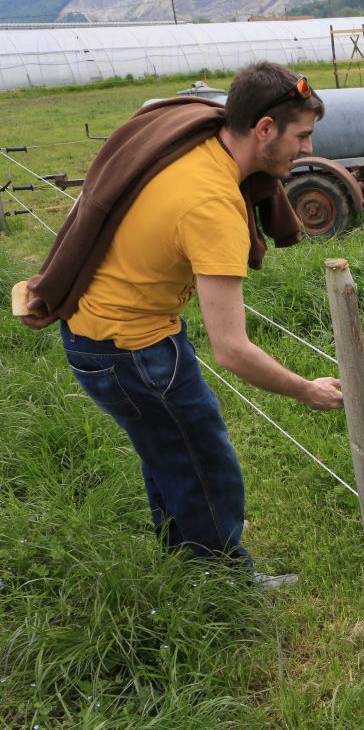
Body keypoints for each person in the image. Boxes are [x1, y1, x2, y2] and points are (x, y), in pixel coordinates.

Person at [19, 61, 343, 582]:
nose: (306, 150)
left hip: (97, 335)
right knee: (206, 466)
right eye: (301, 136)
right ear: (263, 129)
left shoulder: (197, 136)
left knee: (169, 452)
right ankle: (226, 584)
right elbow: (232, 349)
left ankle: (185, 567)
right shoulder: (212, 206)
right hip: (130, 352)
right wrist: (305, 389)